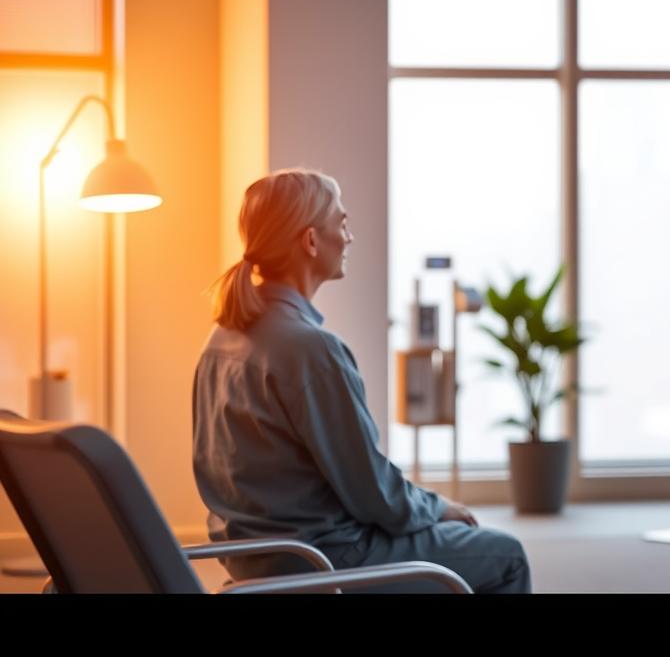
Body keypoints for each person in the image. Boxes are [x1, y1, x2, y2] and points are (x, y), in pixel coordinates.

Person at [193, 168, 530, 593]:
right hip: (324, 558)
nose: (349, 237)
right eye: (342, 223)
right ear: (311, 241)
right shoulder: (310, 349)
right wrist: (438, 506)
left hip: (256, 561)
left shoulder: (221, 338)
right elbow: (374, 494)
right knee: (506, 556)